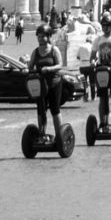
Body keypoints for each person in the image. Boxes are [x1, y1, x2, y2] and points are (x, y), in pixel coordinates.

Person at [29, 18, 66, 146]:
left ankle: (59, 136)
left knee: (55, 110)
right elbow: (30, 66)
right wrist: (28, 70)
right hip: (40, 85)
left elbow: (60, 65)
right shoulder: (36, 52)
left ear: (48, 37)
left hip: (54, 83)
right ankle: (42, 134)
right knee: (41, 110)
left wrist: (49, 68)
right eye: (38, 36)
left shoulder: (53, 50)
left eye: (43, 36)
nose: (40, 38)